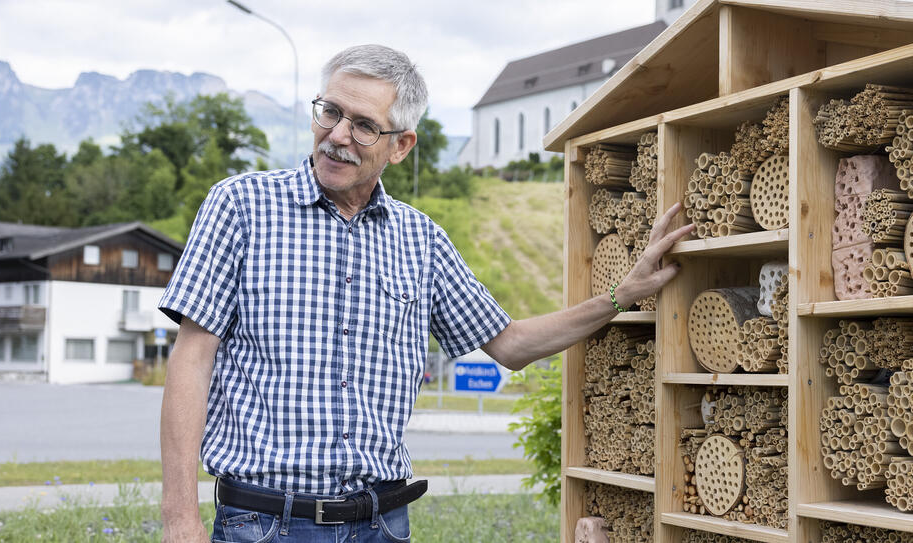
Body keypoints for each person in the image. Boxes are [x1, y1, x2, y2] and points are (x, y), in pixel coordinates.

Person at [159, 44, 694, 543]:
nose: (338, 134)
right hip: (266, 523)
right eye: (330, 112)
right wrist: (179, 514)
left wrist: (622, 295)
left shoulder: (421, 239)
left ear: (401, 145)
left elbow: (509, 343)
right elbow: (191, 361)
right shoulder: (240, 207)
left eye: (364, 125)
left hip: (383, 523)